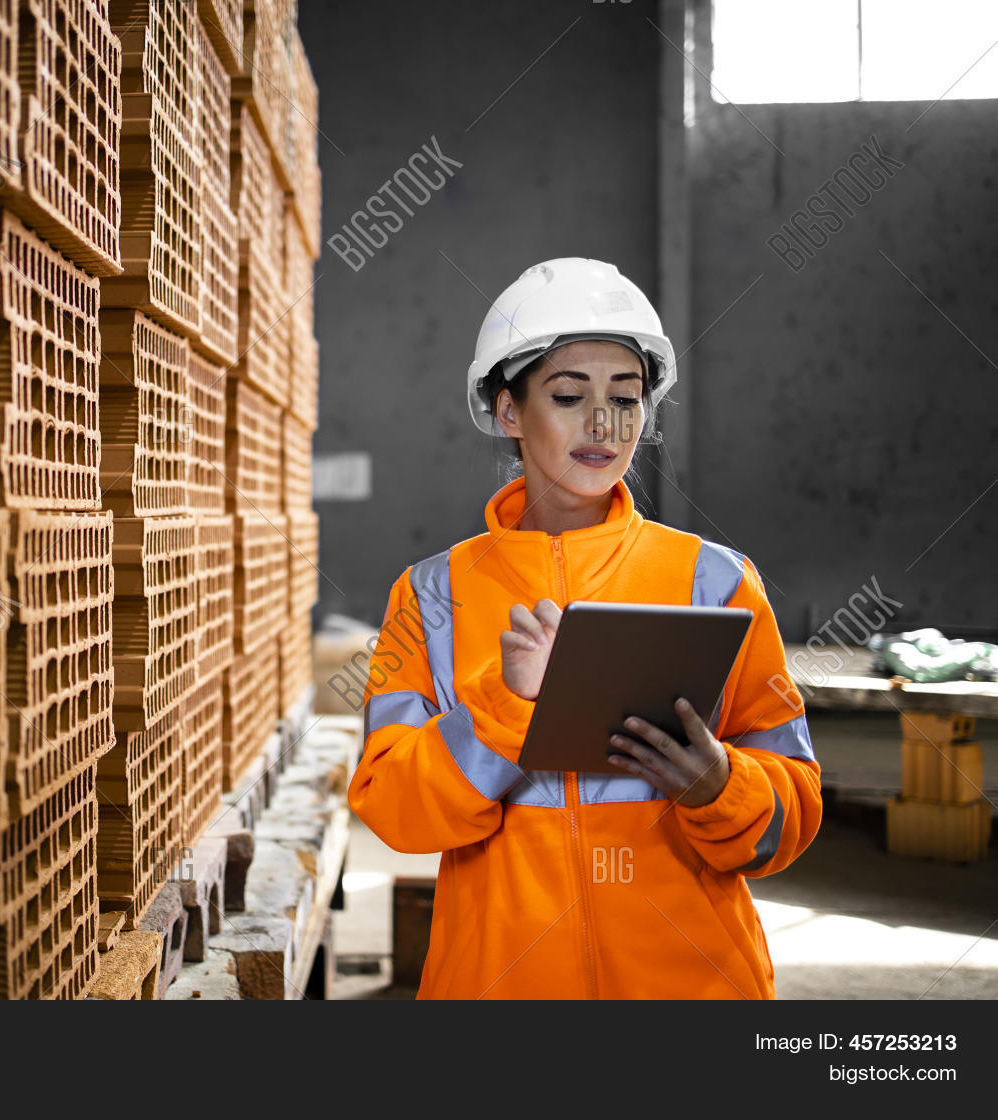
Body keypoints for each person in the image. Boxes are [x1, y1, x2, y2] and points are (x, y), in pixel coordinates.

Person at [348, 257, 821, 999]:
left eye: (626, 399)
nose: (604, 424)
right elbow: (395, 812)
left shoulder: (715, 580)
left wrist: (720, 787)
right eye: (569, 396)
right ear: (509, 412)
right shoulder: (432, 595)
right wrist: (504, 709)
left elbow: (788, 817)